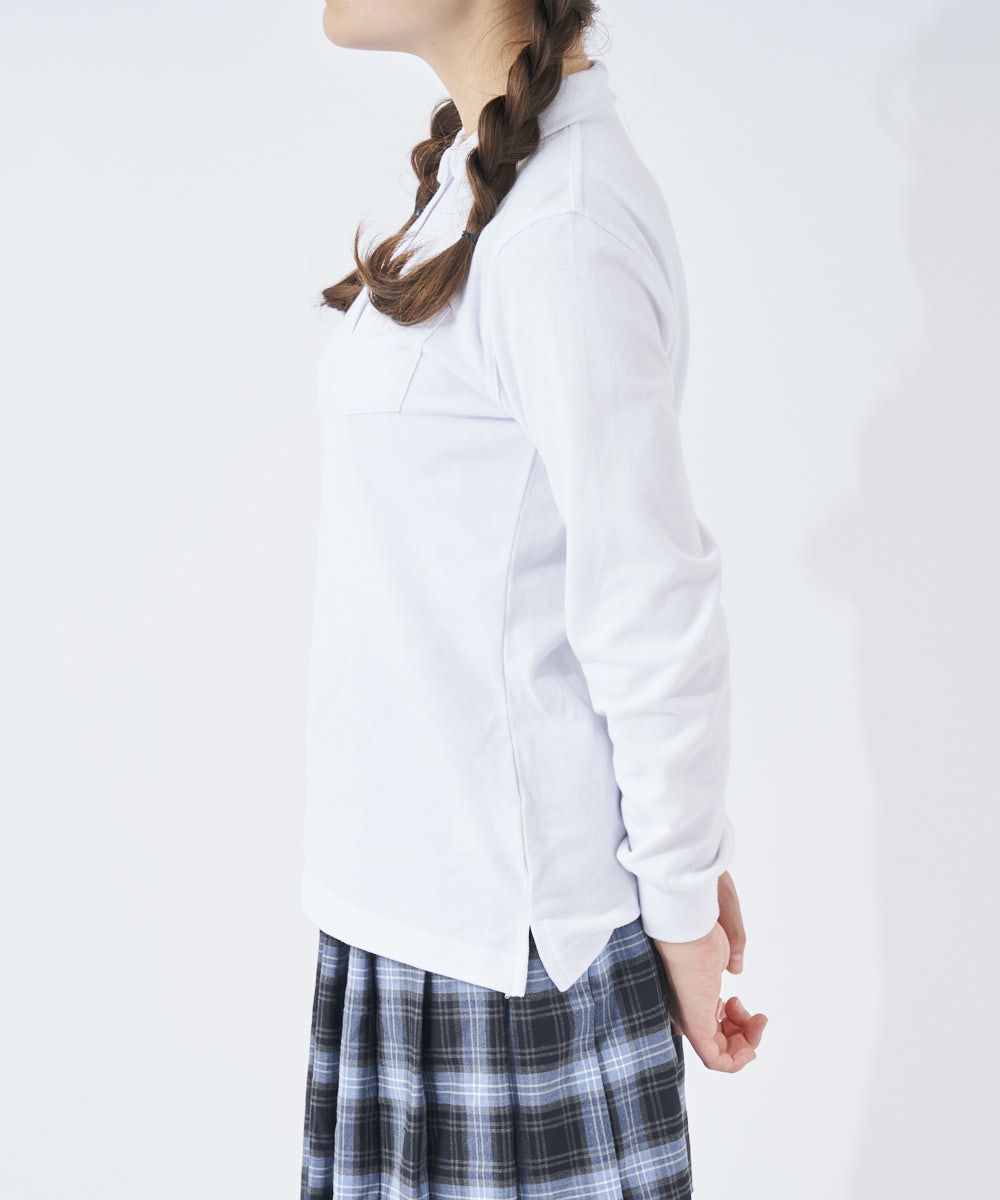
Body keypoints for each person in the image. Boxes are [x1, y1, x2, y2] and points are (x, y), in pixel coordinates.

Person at [300, 3, 767, 1197]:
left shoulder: (561, 224)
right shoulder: (488, 187)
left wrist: (677, 897)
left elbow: (648, 595)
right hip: (418, 922)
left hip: (508, 963)